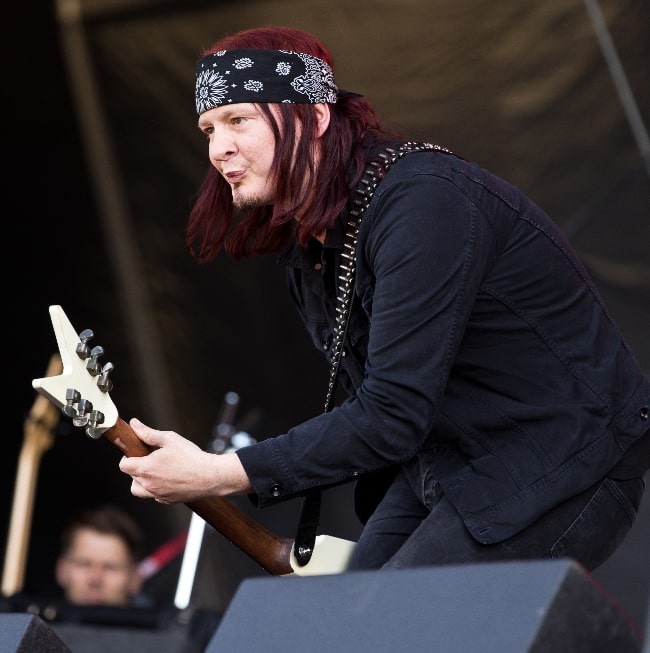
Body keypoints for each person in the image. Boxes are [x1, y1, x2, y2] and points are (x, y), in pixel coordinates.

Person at [118, 26, 649, 574]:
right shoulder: (314, 247)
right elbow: (384, 411)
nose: (218, 147)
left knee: (394, 630)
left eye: (239, 120)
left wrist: (217, 472)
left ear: (316, 116)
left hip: (562, 459)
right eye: (208, 128)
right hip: (448, 465)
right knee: (348, 624)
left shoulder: (424, 201)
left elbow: (391, 413)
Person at [54, 504, 146, 606]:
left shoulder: (162, 621)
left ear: (135, 578)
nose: (95, 579)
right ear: (61, 569)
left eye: (110, 567)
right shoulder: (36, 619)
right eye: (84, 564)